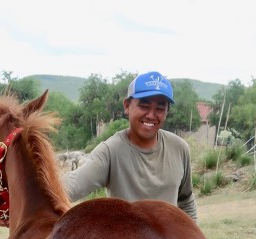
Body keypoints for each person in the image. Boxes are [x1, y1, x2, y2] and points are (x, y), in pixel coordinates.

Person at [62, 71, 198, 221]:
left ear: (167, 111)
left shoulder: (179, 148)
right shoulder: (110, 151)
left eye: (160, 108)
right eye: (144, 105)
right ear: (127, 106)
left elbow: (186, 200)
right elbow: (73, 186)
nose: (151, 115)